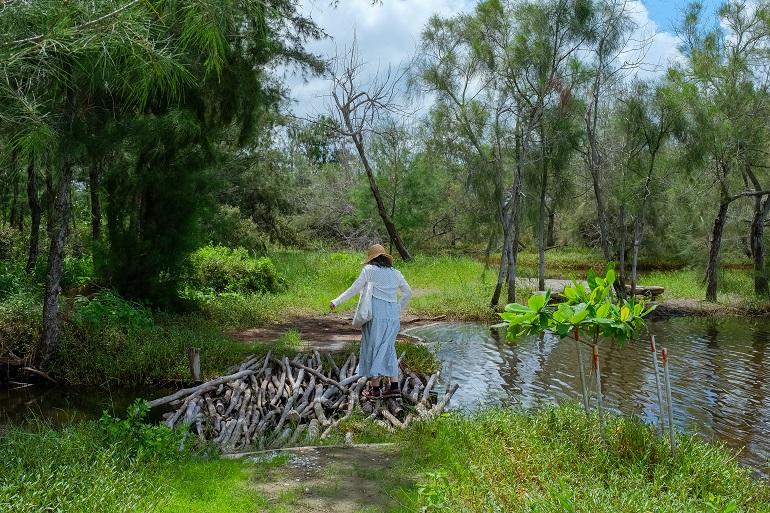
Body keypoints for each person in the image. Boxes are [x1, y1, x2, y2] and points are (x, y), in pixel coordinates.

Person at [330, 244, 412, 398]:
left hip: (375, 315)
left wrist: (336, 301)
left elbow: (354, 288)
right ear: (384, 258)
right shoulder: (396, 273)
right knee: (387, 347)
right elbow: (408, 293)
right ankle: (394, 386)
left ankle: (375, 390)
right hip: (392, 317)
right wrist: (397, 308)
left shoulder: (369, 271)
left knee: (374, 347)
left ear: (372, 259)